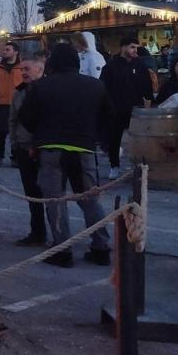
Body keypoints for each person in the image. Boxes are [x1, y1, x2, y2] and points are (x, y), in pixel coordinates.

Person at [19, 43, 112, 268]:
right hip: (84, 149)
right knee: (89, 199)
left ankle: (62, 249)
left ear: (52, 63)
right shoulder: (96, 86)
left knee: (55, 200)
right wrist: (93, 136)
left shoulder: (41, 87)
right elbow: (109, 117)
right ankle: (101, 246)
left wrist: (41, 132)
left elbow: (26, 117)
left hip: (51, 150)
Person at [100, 36, 154, 179]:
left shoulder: (140, 65)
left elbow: (147, 85)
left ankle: (138, 166)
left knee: (138, 139)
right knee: (114, 138)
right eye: (132, 47)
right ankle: (114, 166)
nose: (135, 50)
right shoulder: (111, 66)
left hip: (135, 109)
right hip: (115, 109)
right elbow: (103, 88)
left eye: (136, 47)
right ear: (123, 47)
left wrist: (148, 102)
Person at [10, 54, 48, 246]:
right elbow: (13, 121)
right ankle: (37, 232)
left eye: (27, 69)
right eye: (21, 69)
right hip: (24, 149)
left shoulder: (49, 90)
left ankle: (60, 234)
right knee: (32, 194)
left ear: (40, 70)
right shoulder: (19, 93)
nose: (23, 73)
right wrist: (14, 145)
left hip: (46, 150)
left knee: (50, 194)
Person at [0, 42, 23, 168]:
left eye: (8, 49)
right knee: (1, 133)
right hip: (2, 105)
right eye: (4, 50)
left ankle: (16, 158)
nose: (4, 52)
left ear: (16, 52)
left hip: (18, 105)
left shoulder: (21, 67)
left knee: (17, 133)